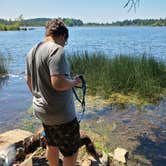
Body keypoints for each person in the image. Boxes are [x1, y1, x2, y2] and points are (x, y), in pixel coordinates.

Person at [26, 18, 81, 166]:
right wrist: (74, 82)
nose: (64, 45)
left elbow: (28, 81)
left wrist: (40, 97)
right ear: (63, 36)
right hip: (61, 114)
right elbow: (58, 83)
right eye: (65, 41)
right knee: (72, 150)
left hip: (42, 111)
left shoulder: (32, 51)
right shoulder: (57, 50)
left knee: (52, 144)